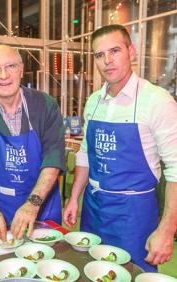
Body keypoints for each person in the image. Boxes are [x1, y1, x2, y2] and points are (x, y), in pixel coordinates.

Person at [63, 24, 177, 272]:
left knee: (132, 274)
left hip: (133, 214)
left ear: (132, 51)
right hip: (93, 209)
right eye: (99, 55)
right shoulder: (94, 101)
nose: (107, 61)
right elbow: (85, 153)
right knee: (91, 271)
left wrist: (167, 230)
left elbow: (176, 170)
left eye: (114, 51)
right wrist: (74, 198)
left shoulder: (156, 101)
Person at [0, 44, 65, 241]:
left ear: (21, 70)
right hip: (3, 210)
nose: (3, 75)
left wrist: (32, 204)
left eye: (10, 66)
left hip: (43, 208)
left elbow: (53, 159)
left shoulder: (45, 105)